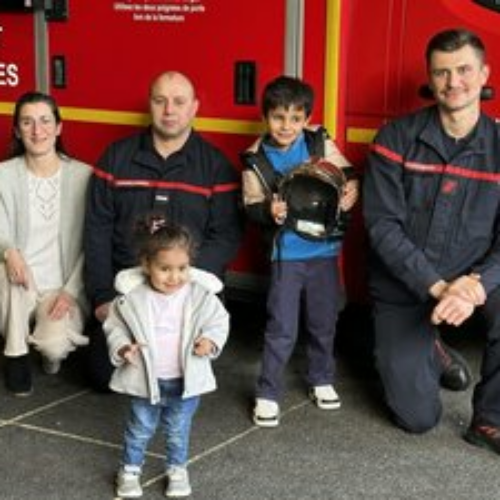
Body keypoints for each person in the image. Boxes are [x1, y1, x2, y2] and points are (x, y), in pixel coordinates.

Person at [363, 28, 500, 455]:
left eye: (463, 70)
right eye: (442, 72)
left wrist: (476, 284)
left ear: (484, 74)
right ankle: (432, 347)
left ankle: (491, 420)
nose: (453, 82)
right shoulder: (395, 138)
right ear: (430, 77)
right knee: (417, 419)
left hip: (474, 275)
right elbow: (382, 226)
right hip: (404, 281)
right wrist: (439, 287)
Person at [84, 71, 242, 391]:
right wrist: (102, 297)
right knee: (104, 375)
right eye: (160, 101)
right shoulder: (115, 158)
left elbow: (226, 236)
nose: (169, 110)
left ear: (194, 107)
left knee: (183, 373)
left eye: (179, 102)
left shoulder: (216, 167)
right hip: (127, 292)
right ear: (150, 104)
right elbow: (96, 231)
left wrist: (182, 283)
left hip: (186, 294)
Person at [241, 75, 359, 427]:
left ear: (307, 119)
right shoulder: (255, 158)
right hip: (286, 256)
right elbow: (249, 204)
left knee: (324, 320)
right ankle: (268, 392)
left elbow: (347, 172)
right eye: (278, 117)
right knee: (281, 326)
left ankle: (321, 378)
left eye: (295, 118)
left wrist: (352, 189)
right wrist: (268, 211)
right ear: (266, 117)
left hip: (324, 250)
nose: (286, 126)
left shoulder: (318, 141)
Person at [104, 219, 229, 498]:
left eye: (182, 268)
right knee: (139, 428)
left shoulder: (199, 295)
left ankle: (177, 469)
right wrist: (123, 348)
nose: (174, 277)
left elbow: (219, 321)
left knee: (178, 430)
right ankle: (129, 471)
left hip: (185, 380)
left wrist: (210, 340)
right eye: (164, 269)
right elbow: (114, 326)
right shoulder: (132, 298)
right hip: (146, 379)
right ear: (146, 264)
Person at [0, 91, 92, 395]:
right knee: (6, 270)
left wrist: (71, 291)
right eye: (27, 122)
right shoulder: (4, 175)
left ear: (59, 127)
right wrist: (8, 250)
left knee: (54, 348)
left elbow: (92, 244)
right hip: (19, 284)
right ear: (17, 130)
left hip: (60, 288)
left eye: (45, 121)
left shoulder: (83, 176)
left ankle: (48, 349)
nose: (37, 131)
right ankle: (16, 354)